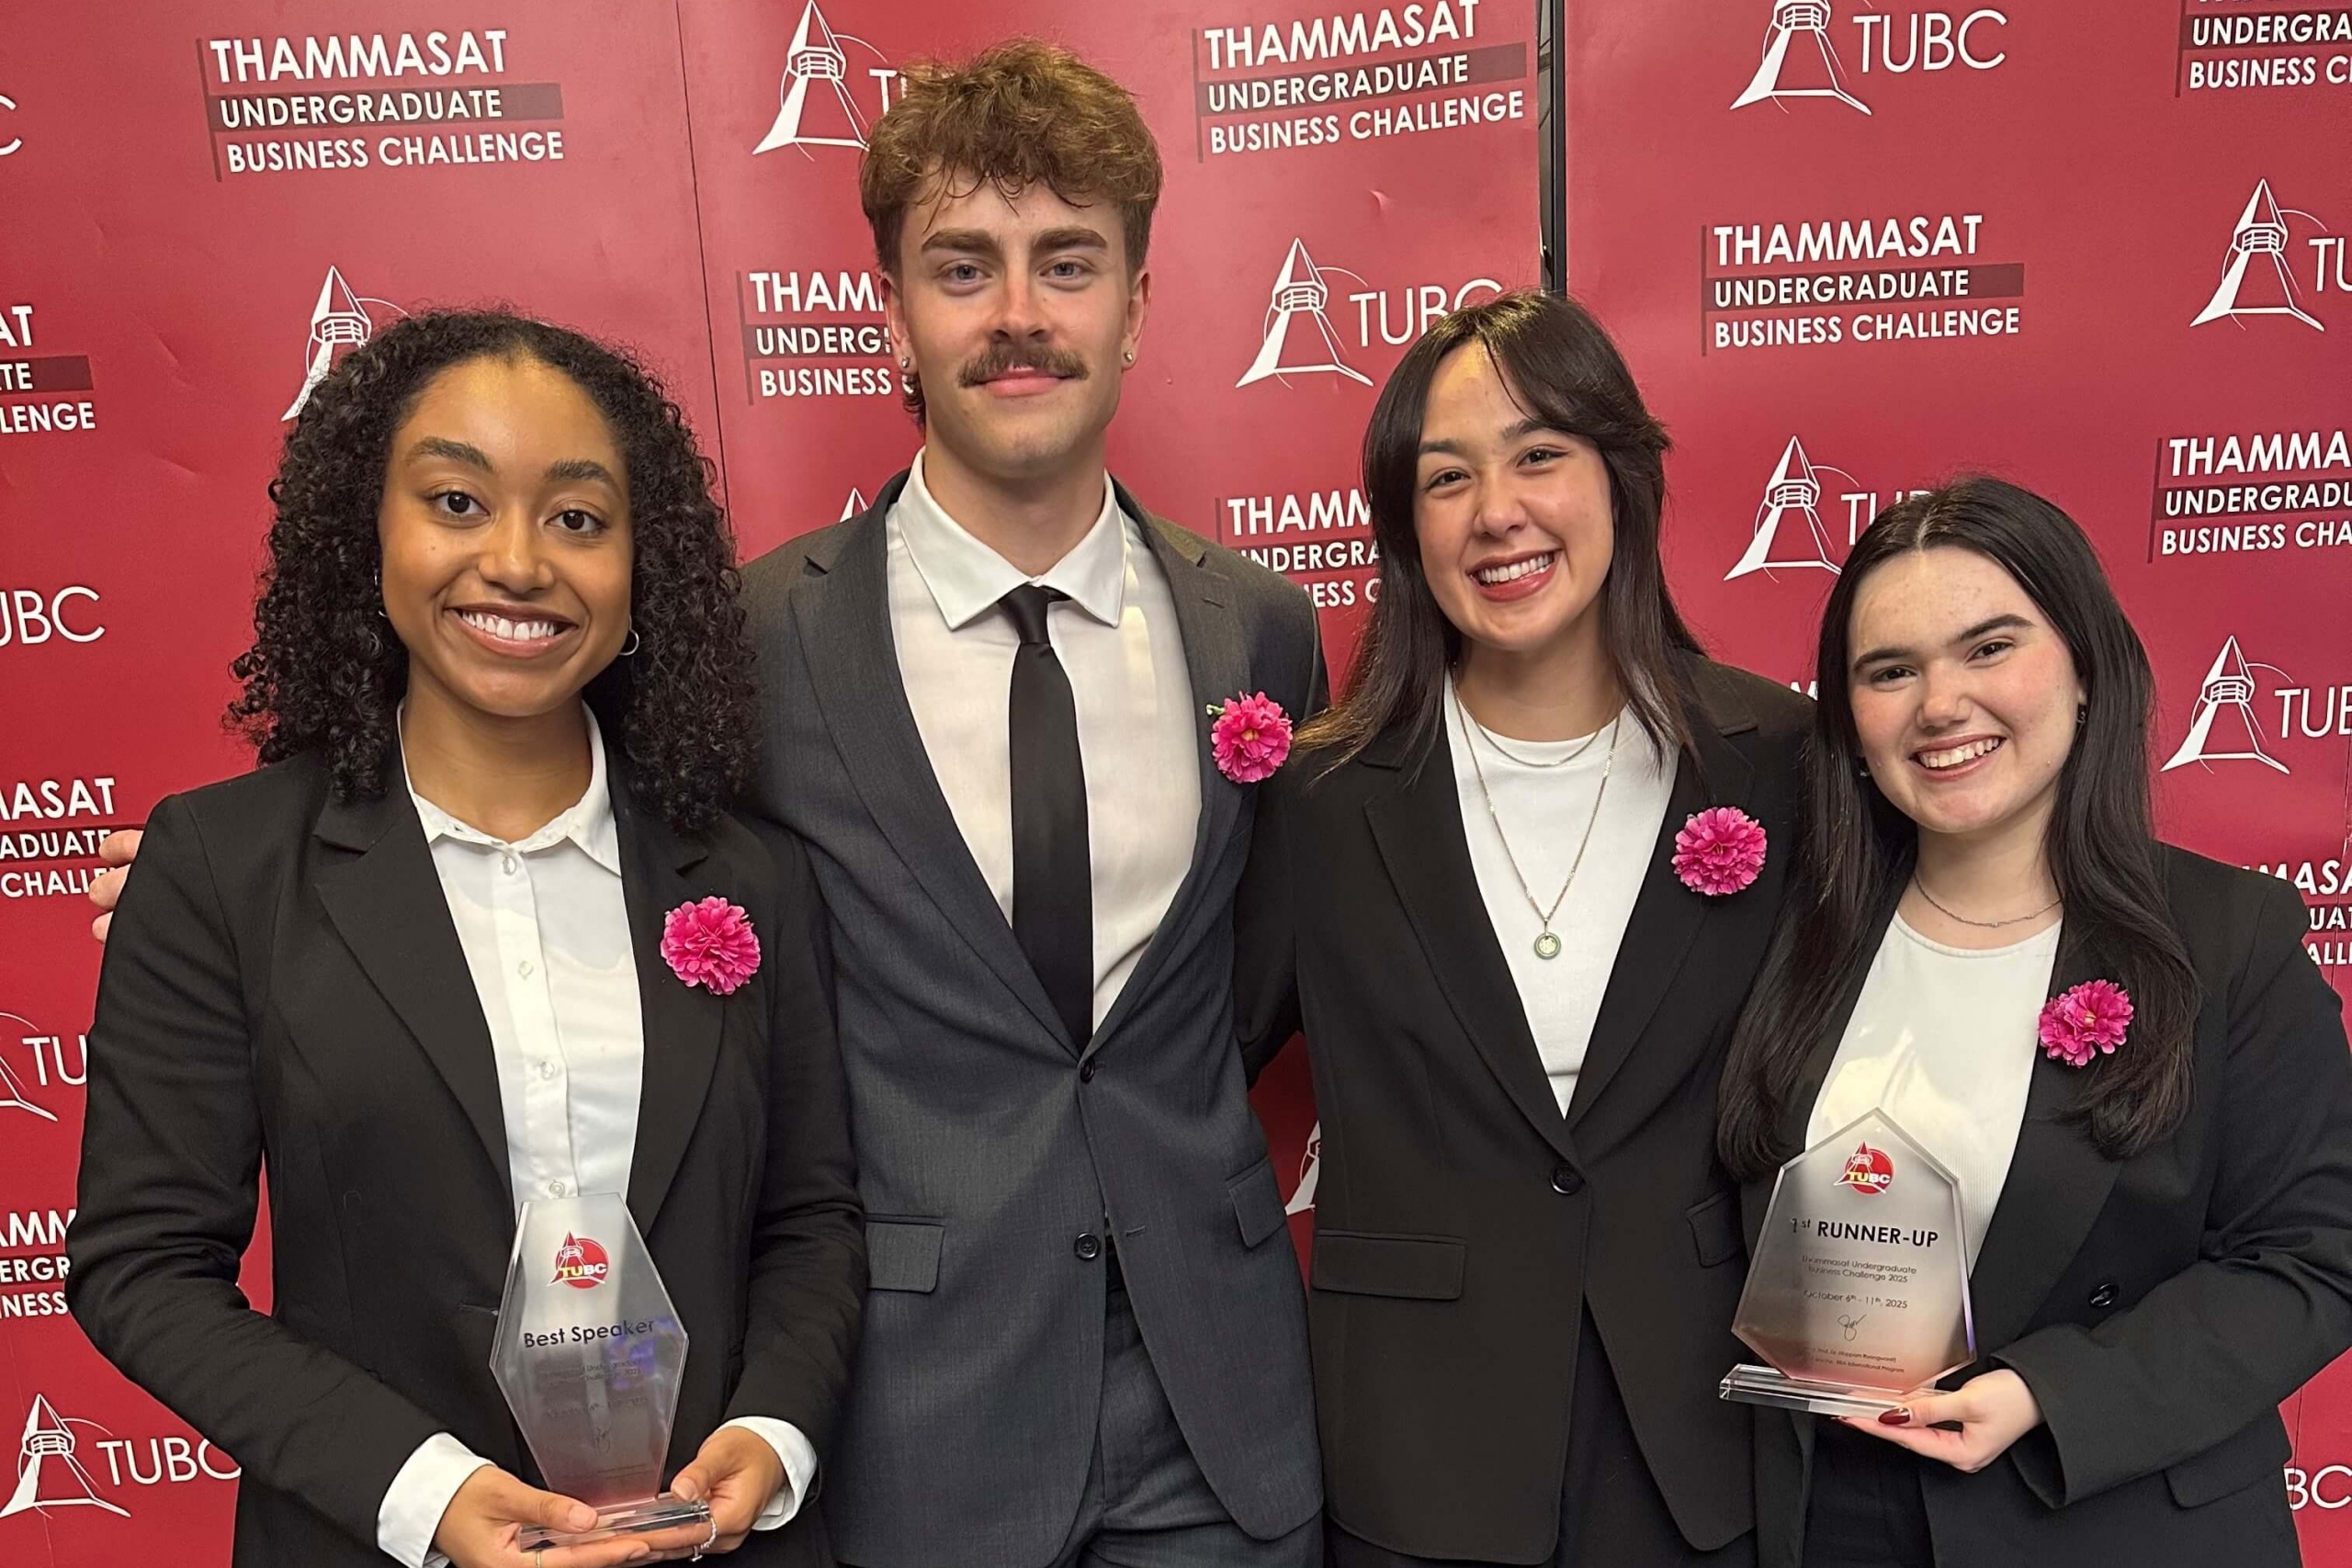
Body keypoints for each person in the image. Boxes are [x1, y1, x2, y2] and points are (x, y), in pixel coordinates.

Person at [67, 311, 865, 1568]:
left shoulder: (749, 872)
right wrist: (426, 1489)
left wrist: (772, 1429)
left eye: (578, 518)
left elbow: (813, 1216)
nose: (517, 560)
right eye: (455, 499)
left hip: (709, 1545)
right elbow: (141, 1267)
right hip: (371, 1538)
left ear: (638, 566)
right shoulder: (224, 865)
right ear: (366, 538)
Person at [744, 42, 1324, 1568]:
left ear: (1134, 306)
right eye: (963, 267)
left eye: (1066, 264)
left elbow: (1265, 965)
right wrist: (267, 877)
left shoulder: (1257, 628)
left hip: (1222, 1410)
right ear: (893, 314)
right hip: (923, 1419)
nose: (1017, 316)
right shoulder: (757, 643)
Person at [1234, 289, 1810, 1567]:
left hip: (1700, 1444)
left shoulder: (1778, 757)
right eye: (1448, 478)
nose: (1499, 510)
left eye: (1540, 453)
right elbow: (1190, 1069)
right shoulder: (1323, 800)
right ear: (1405, 526)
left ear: (1622, 477)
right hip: (1413, 1453)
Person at [1715, 477, 2352, 1568]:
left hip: (2103, 1511)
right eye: (1889, 671)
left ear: (2086, 669)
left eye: (1987, 647)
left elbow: (2317, 1257)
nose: (1940, 704)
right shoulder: (1793, 934)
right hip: (1828, 1517)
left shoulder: (2223, 938)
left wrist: (2045, 1395)